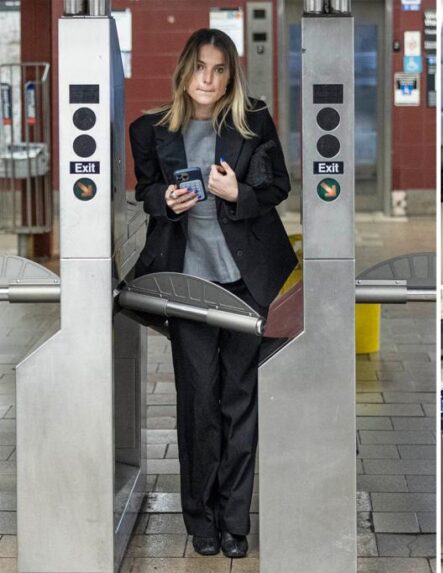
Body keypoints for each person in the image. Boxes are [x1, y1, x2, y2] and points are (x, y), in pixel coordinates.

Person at [129, 28, 296, 558]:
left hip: (246, 284)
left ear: (231, 75)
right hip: (187, 287)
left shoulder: (251, 123)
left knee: (240, 402)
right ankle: (200, 518)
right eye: (201, 66)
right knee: (198, 404)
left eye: (220, 69)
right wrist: (167, 200)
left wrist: (237, 193)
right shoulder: (150, 129)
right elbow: (145, 190)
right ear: (185, 69)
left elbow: (278, 188)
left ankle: (235, 521)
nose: (209, 78)